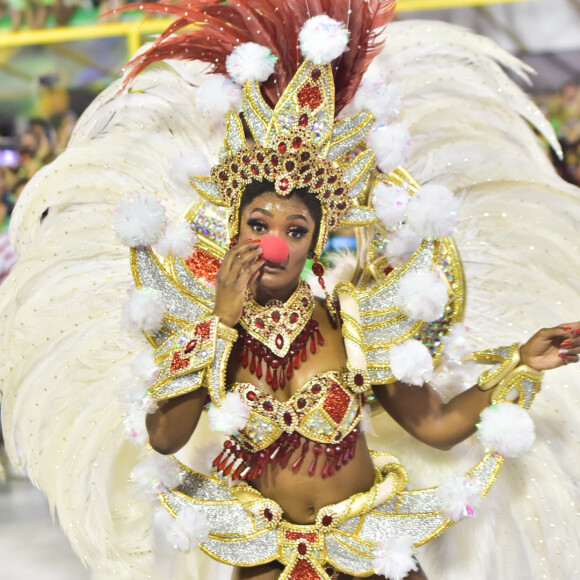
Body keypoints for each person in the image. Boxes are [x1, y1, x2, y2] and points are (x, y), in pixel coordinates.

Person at [1, 2, 579, 580]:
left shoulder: (355, 321)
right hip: (263, 557)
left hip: (367, 551)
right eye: (259, 225)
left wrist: (520, 365)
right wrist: (221, 326)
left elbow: (438, 427)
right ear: (235, 229)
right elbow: (163, 437)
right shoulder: (206, 331)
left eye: (294, 230)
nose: (274, 245)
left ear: (314, 242)